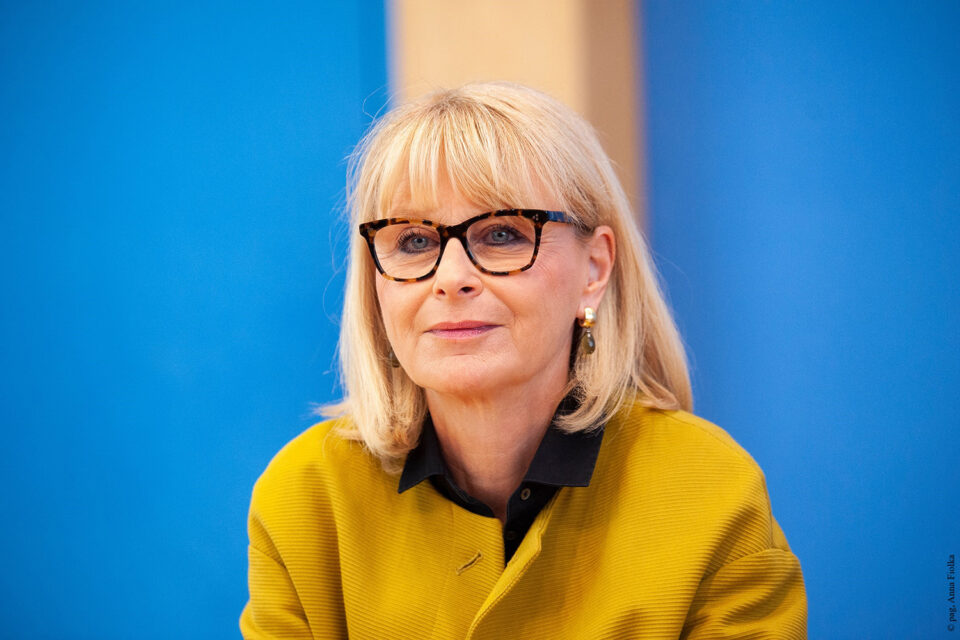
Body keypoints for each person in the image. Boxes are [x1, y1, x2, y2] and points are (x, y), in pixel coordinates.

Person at [239, 82, 807, 639]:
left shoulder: (711, 492)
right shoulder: (305, 499)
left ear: (594, 269)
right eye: (414, 241)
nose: (451, 278)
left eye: (503, 234)